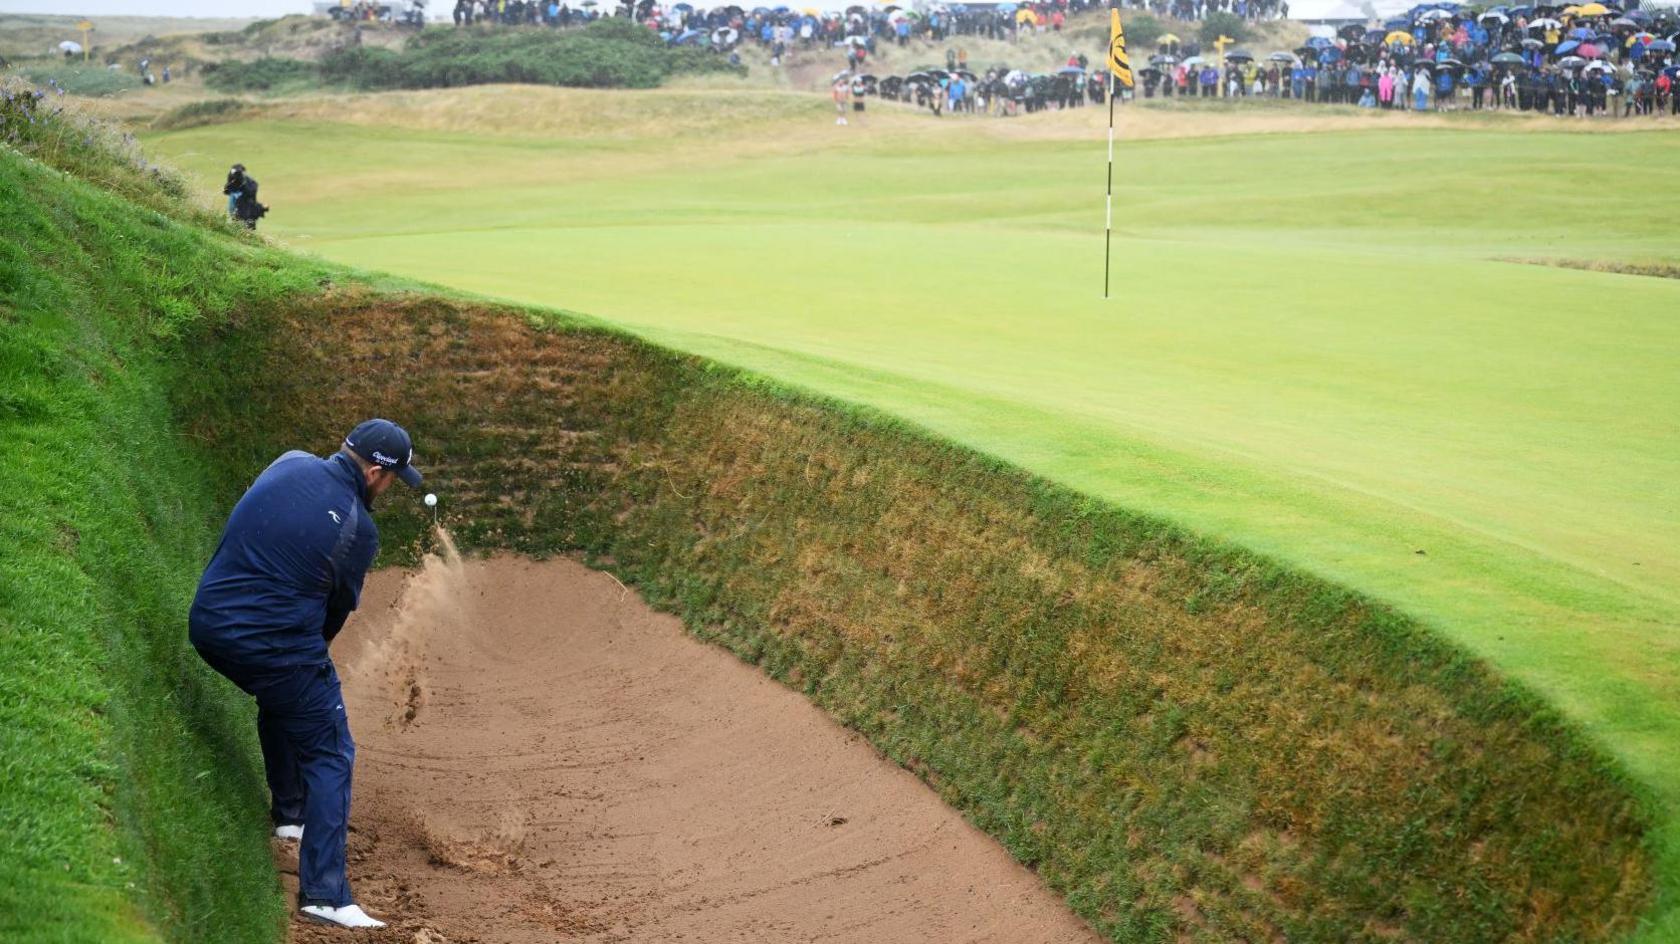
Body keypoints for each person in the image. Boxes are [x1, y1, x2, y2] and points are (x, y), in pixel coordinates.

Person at [189, 419, 425, 930]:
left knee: (286, 694)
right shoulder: (359, 531)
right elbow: (333, 615)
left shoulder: (289, 461)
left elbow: (242, 527)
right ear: (378, 474)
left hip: (207, 622)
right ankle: (326, 894)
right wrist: (309, 657)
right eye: (393, 479)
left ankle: (292, 818)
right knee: (332, 751)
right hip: (272, 646)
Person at [223, 163, 268, 230]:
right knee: (236, 224)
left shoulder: (250, 182)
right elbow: (227, 190)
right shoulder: (233, 183)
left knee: (246, 227)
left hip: (247, 212)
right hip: (238, 211)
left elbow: (250, 192)